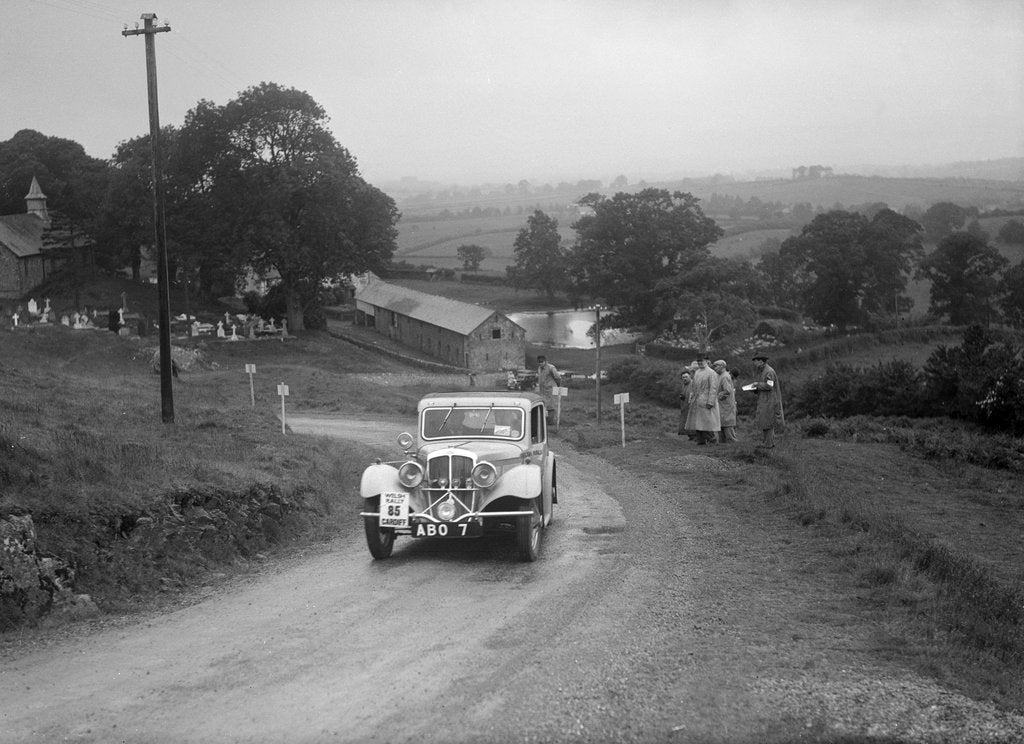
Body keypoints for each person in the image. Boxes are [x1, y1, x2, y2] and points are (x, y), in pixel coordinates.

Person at [751, 353, 785, 449]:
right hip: (766, 400)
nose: (754, 364)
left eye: (755, 361)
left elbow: (769, 386)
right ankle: (767, 443)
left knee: (768, 422)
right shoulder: (764, 371)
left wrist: (757, 384)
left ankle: (768, 444)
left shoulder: (768, 371)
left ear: (761, 361)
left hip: (770, 401)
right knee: (765, 421)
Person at [690, 356, 721, 445]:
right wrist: (692, 397)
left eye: (701, 361)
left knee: (707, 422)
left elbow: (713, 388)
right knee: (698, 422)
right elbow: (694, 386)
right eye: (698, 361)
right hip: (697, 400)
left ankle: (712, 440)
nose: (700, 362)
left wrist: (711, 402)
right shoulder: (697, 372)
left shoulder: (712, 373)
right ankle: (700, 440)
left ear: (706, 361)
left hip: (706, 400)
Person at [713, 359, 737, 442]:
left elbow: (727, 391)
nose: (714, 368)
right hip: (721, 405)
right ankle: (723, 445)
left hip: (726, 406)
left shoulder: (725, 376)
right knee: (722, 425)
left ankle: (733, 445)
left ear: (722, 366)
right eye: (714, 366)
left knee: (727, 426)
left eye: (716, 366)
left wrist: (716, 397)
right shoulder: (719, 376)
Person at [535, 355, 561, 422]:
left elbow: (558, 377)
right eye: (539, 362)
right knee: (544, 404)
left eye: (542, 362)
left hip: (551, 390)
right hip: (543, 390)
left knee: (551, 405)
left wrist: (557, 386)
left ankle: (551, 420)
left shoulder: (551, 368)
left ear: (545, 361)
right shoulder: (539, 368)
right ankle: (545, 419)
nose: (540, 363)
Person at [677, 366, 694, 435]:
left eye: (686, 377)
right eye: (683, 377)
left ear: (690, 376)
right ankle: (688, 434)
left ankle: (693, 435)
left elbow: (693, 394)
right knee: (685, 420)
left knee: (691, 421)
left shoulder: (693, 384)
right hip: (684, 406)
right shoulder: (684, 385)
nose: (684, 379)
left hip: (691, 406)